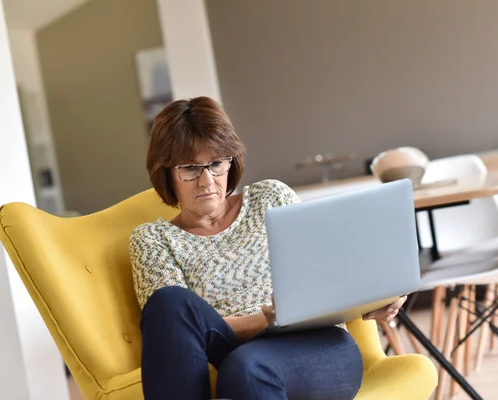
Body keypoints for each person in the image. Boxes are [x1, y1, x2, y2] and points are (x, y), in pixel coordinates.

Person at [129, 96, 408, 400]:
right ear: (166, 172)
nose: (206, 181)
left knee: (247, 369)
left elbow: (329, 272)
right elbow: (176, 338)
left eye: (216, 164)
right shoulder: (153, 240)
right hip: (227, 345)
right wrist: (267, 320)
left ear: (231, 161)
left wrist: (379, 294)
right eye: (191, 168)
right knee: (169, 303)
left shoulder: (270, 197)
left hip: (319, 345)